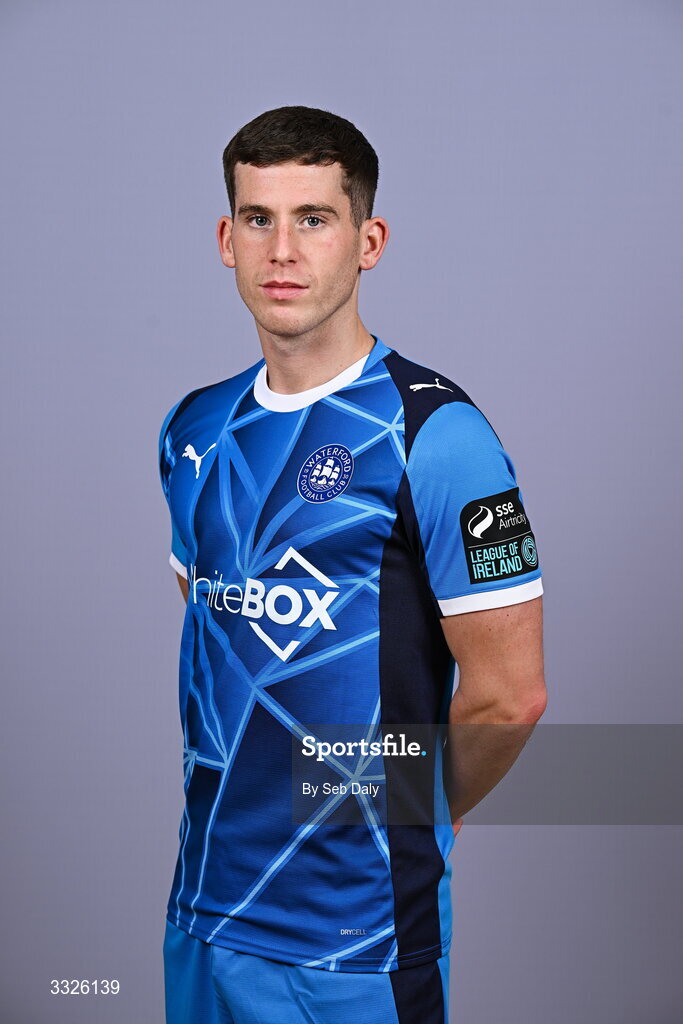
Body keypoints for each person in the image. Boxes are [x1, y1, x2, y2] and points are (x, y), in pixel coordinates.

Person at [158, 105, 546, 1024]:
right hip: (203, 912)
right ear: (226, 239)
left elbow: (509, 697)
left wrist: (405, 809)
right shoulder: (195, 428)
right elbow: (218, 634)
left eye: (314, 219)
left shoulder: (437, 434)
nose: (282, 250)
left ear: (367, 242)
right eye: (258, 218)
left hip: (354, 942)